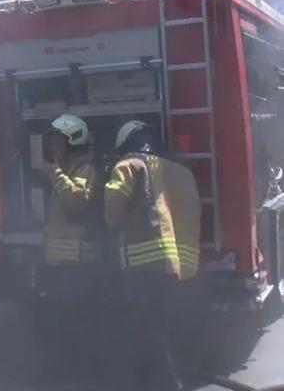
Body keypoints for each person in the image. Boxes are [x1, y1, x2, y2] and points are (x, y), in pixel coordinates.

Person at [104, 120, 201, 391]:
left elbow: (112, 212)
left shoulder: (128, 165)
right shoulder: (181, 171)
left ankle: (168, 383)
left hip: (143, 264)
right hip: (178, 264)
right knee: (165, 325)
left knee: (148, 329)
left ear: (126, 145)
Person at [34, 114, 102, 379]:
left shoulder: (85, 168)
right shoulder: (68, 168)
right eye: (51, 141)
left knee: (76, 323)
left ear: (74, 140)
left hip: (78, 265)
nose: (52, 146)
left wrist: (55, 174)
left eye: (57, 141)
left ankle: (80, 374)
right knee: (60, 323)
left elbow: (78, 200)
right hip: (62, 264)